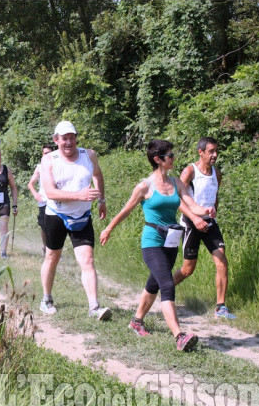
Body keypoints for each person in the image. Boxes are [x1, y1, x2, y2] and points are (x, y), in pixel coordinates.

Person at [99, 139, 216, 352]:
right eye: (169, 156)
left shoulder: (176, 183)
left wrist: (206, 211)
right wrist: (108, 229)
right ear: (158, 159)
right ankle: (179, 336)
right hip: (152, 242)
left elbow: (191, 204)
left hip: (171, 241)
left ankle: (136, 321)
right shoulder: (144, 186)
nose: (173, 158)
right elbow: (126, 210)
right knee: (167, 285)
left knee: (154, 284)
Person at [39, 121, 111, 321]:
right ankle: (46, 299)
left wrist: (102, 200)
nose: (68, 142)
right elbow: (51, 193)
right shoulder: (49, 160)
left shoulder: (89, 155)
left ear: (76, 138)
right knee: (52, 256)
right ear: (56, 140)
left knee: (87, 259)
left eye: (71, 137)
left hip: (82, 216)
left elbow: (97, 174)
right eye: (64, 138)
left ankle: (94, 307)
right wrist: (80, 195)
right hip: (56, 215)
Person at [173, 137, 235, 319]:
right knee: (187, 270)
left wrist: (213, 211)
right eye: (211, 151)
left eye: (217, 151)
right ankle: (163, 289)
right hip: (191, 223)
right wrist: (194, 217)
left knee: (222, 262)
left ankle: (221, 308)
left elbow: (215, 195)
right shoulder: (190, 171)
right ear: (201, 152)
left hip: (209, 223)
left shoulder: (217, 173)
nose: (215, 155)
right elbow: (177, 199)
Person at [27, 143, 55, 256]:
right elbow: (30, 184)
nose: (47, 155)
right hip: (43, 200)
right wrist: (35, 194)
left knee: (55, 226)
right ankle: (45, 246)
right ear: (42, 155)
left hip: (56, 200)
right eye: (45, 153)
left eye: (49, 153)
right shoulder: (39, 167)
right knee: (44, 226)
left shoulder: (59, 165)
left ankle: (54, 249)